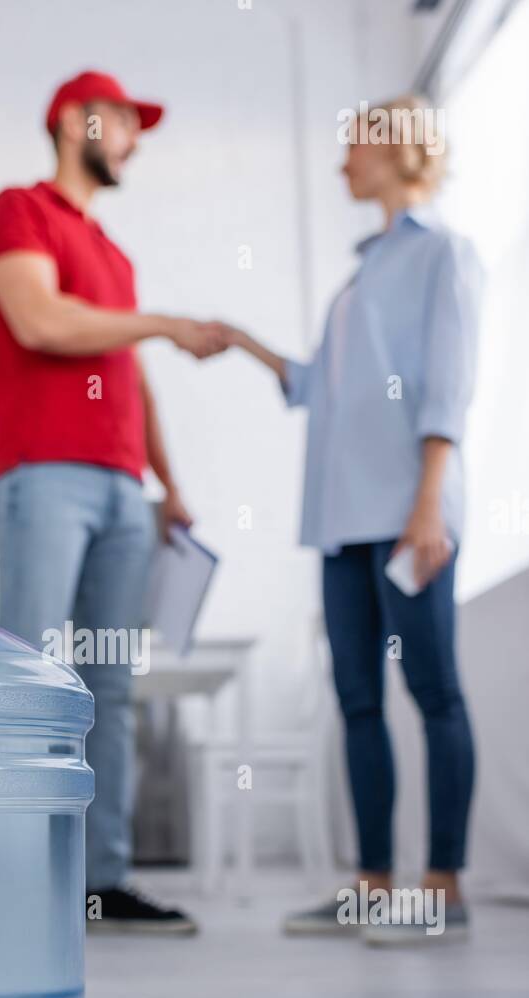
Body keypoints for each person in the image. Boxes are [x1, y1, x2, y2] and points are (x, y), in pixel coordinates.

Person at [222, 94, 483, 945]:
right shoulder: (359, 273)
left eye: (355, 146)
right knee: (357, 700)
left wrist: (425, 506)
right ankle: (374, 885)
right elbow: (316, 389)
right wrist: (243, 343)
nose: (342, 162)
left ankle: (439, 887)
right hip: (340, 522)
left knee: (433, 694)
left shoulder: (442, 254)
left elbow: (445, 384)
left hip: (408, 514)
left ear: (401, 150)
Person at [0, 71, 225, 936]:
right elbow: (40, 322)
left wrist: (169, 483)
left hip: (125, 492)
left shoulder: (114, 255)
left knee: (109, 689)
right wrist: (158, 321)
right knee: (34, 683)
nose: (132, 140)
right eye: (122, 122)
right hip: (45, 474)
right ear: (77, 121)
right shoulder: (18, 212)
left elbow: (130, 374)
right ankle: (13, 883)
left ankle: (101, 881)